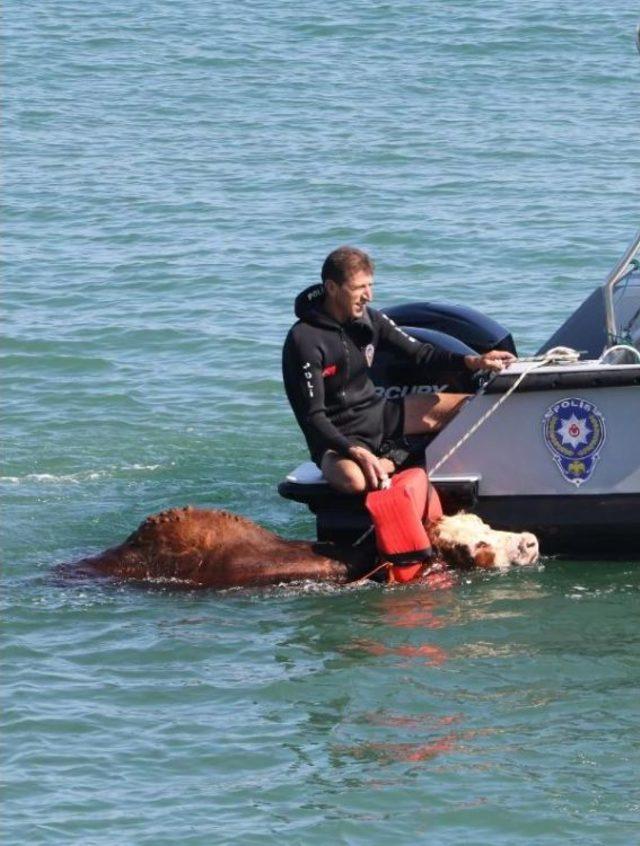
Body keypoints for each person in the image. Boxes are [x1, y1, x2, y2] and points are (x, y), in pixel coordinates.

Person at [282, 246, 514, 495]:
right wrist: (352, 450)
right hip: (337, 437)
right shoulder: (304, 339)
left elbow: (422, 354)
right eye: (359, 288)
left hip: (379, 415)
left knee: (476, 409)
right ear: (331, 288)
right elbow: (313, 416)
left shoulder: (370, 320)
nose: (368, 296)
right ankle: (395, 457)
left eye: (370, 286)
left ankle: (394, 457)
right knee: (354, 481)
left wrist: (474, 361)